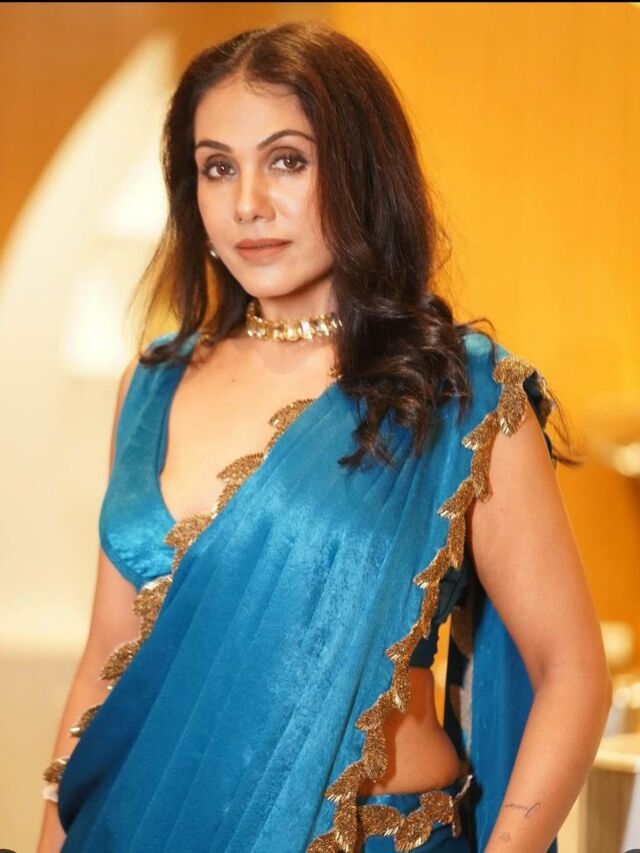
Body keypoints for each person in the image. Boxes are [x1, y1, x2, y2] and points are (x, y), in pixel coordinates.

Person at [37, 20, 612, 853]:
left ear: (360, 172)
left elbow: (570, 670)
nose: (247, 203)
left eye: (287, 161)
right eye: (217, 167)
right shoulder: (152, 383)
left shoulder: (454, 394)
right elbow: (106, 657)